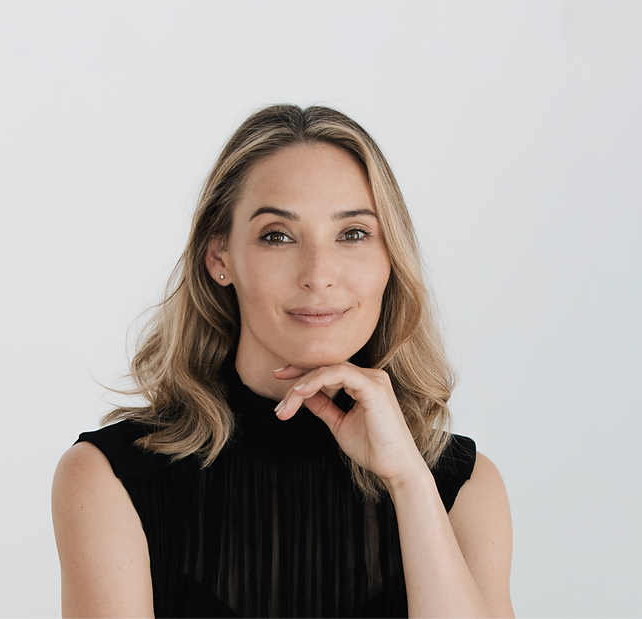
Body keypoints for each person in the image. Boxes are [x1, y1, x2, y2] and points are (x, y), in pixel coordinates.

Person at [51, 105, 514, 619]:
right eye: (278, 236)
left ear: (391, 257)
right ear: (220, 258)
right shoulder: (110, 478)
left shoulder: (466, 486)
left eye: (353, 233)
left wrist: (409, 481)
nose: (318, 274)